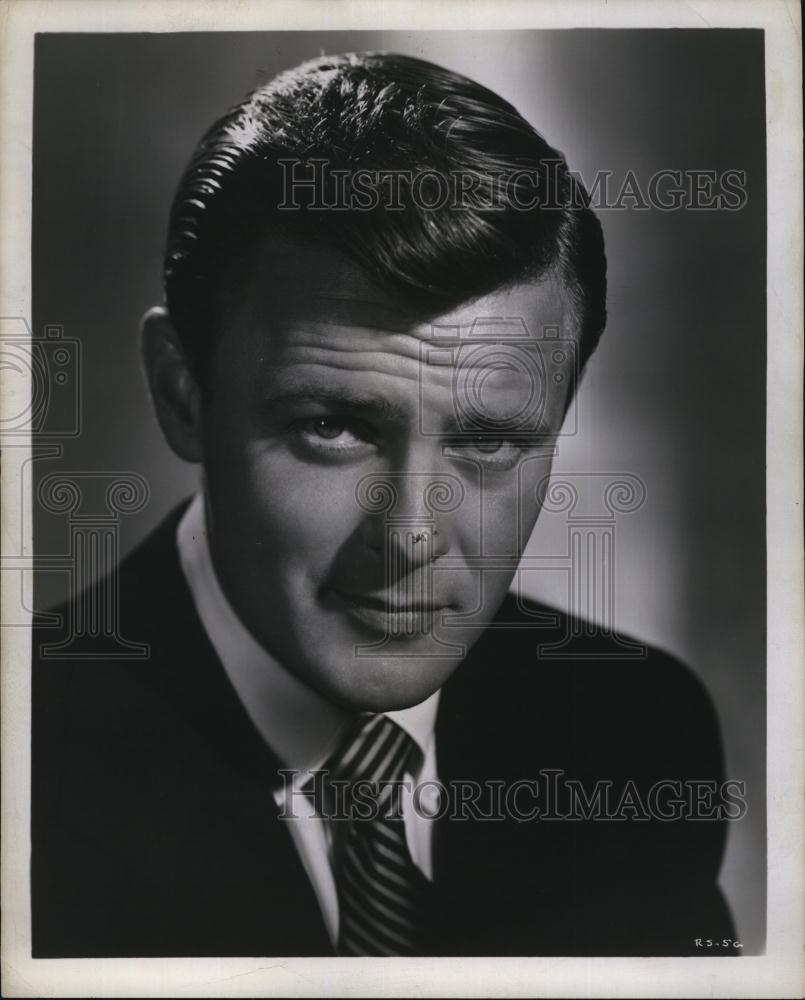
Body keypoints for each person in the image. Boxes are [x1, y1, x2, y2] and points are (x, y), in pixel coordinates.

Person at [31, 52, 736, 957]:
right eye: (332, 427)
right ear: (182, 394)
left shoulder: (634, 731)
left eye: (489, 440)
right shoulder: (29, 764)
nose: (409, 534)